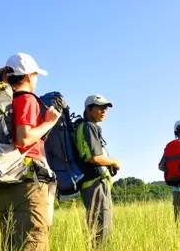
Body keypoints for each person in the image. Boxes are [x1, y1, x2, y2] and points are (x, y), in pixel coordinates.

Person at [0, 53, 61, 251]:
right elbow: (24, 138)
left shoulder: (4, 101)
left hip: (5, 178)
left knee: (11, 242)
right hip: (27, 181)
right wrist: (49, 122)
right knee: (33, 240)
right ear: (29, 76)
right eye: (36, 75)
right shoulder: (26, 99)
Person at [75, 94, 120, 248]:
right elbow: (93, 157)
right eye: (100, 107)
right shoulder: (89, 126)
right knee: (103, 230)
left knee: (96, 229)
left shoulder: (85, 126)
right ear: (89, 108)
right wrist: (114, 161)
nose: (104, 111)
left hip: (91, 184)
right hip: (95, 184)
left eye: (105, 108)